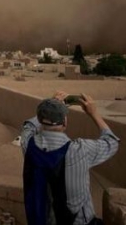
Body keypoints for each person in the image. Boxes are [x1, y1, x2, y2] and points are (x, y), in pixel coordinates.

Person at [21, 92, 120, 225]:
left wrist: (50, 106)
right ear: (65, 122)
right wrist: (93, 113)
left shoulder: (28, 144)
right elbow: (112, 142)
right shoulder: (79, 150)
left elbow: (29, 126)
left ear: (40, 120)